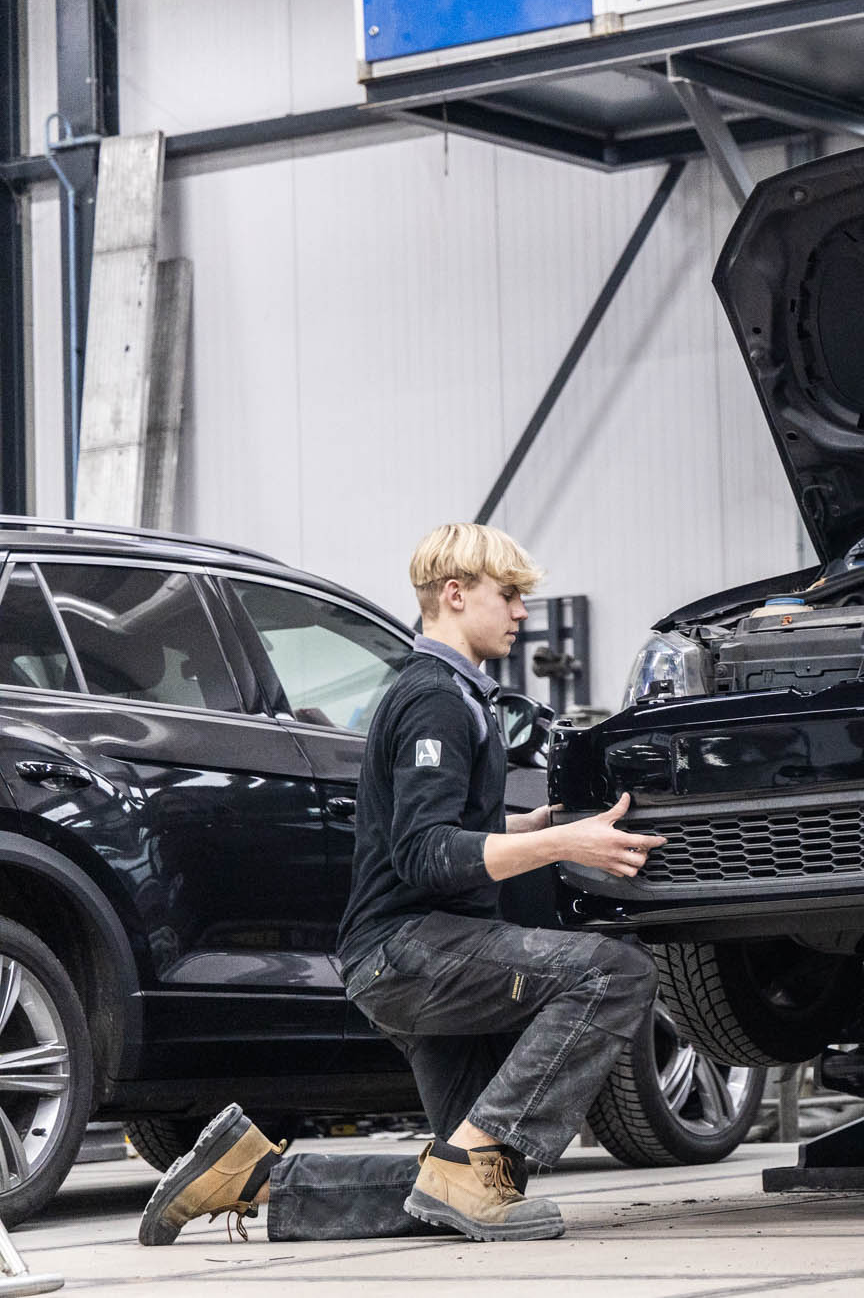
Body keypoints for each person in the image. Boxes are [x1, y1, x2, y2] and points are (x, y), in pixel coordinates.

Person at [139, 523, 665, 1245]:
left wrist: (544, 822)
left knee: (474, 1169)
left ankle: (250, 1173)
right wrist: (567, 843)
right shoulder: (435, 700)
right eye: (508, 594)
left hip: (413, 950)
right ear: (454, 593)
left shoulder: (453, 696)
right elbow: (426, 854)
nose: (520, 612)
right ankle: (468, 1166)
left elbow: (440, 828)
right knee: (617, 972)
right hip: (408, 949)